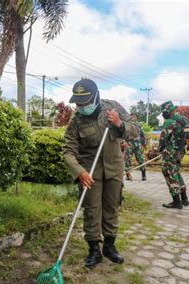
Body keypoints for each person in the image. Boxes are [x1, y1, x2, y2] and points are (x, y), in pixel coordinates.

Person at [63, 78, 138, 268]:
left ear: (96, 97)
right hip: (90, 171)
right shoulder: (76, 120)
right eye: (78, 103)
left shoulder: (112, 108)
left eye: (85, 102)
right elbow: (68, 152)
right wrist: (79, 172)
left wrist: (120, 124)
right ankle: (94, 249)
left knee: (111, 207)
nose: (82, 106)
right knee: (92, 210)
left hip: (114, 168)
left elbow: (135, 131)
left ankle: (110, 247)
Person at [158, 101, 189, 209]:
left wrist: (159, 149)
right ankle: (185, 199)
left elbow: (163, 138)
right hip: (180, 151)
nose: (163, 114)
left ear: (168, 111)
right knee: (176, 172)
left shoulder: (169, 122)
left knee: (168, 172)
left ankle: (176, 201)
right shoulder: (184, 120)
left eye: (164, 112)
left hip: (170, 152)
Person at [124, 113, 147, 181]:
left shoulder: (139, 125)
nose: (133, 117)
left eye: (135, 116)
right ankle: (128, 175)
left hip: (138, 144)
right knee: (127, 160)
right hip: (129, 144)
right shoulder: (126, 124)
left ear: (137, 118)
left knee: (141, 159)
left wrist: (144, 144)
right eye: (132, 116)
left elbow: (143, 135)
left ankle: (143, 175)